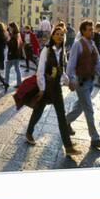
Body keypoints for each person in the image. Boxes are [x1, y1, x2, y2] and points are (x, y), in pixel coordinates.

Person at [26, 27, 81, 156]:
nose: (60, 36)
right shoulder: (46, 50)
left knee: (61, 116)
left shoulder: (62, 52)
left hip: (56, 88)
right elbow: (40, 70)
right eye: (57, 34)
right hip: (46, 87)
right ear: (52, 35)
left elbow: (61, 71)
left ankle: (68, 147)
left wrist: (68, 83)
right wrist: (42, 88)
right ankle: (29, 132)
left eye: (62, 35)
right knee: (38, 111)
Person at [66, 19, 100, 149]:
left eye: (92, 29)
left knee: (79, 107)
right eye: (90, 29)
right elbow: (71, 64)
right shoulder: (77, 44)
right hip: (82, 82)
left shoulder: (92, 44)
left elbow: (98, 62)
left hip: (91, 82)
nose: (92, 31)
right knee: (89, 110)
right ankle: (95, 139)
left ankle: (65, 122)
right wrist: (71, 80)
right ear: (83, 31)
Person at [5, 22, 23, 88]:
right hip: (16, 55)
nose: (9, 28)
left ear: (12, 28)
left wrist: (7, 41)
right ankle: (19, 83)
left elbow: (12, 45)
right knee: (17, 69)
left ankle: (6, 83)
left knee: (8, 69)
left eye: (9, 27)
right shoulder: (18, 34)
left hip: (12, 55)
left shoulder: (14, 35)